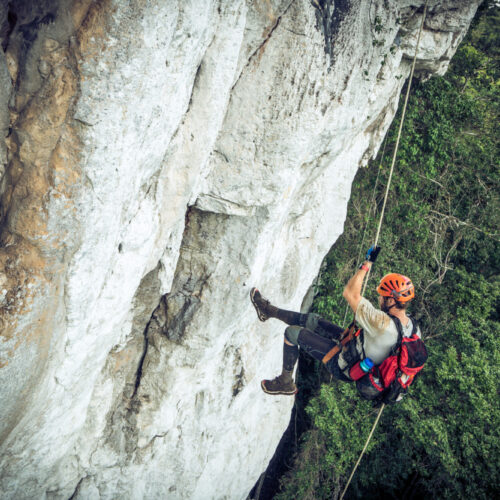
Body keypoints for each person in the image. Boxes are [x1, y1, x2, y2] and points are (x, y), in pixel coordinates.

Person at [251, 246, 420, 395]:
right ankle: (267, 311)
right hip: (355, 345)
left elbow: (350, 293)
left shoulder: (382, 323)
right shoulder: (412, 327)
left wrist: (366, 264)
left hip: (344, 363)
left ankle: (285, 382)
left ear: (391, 301)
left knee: (292, 333)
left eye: (382, 297)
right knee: (313, 321)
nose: (379, 299)